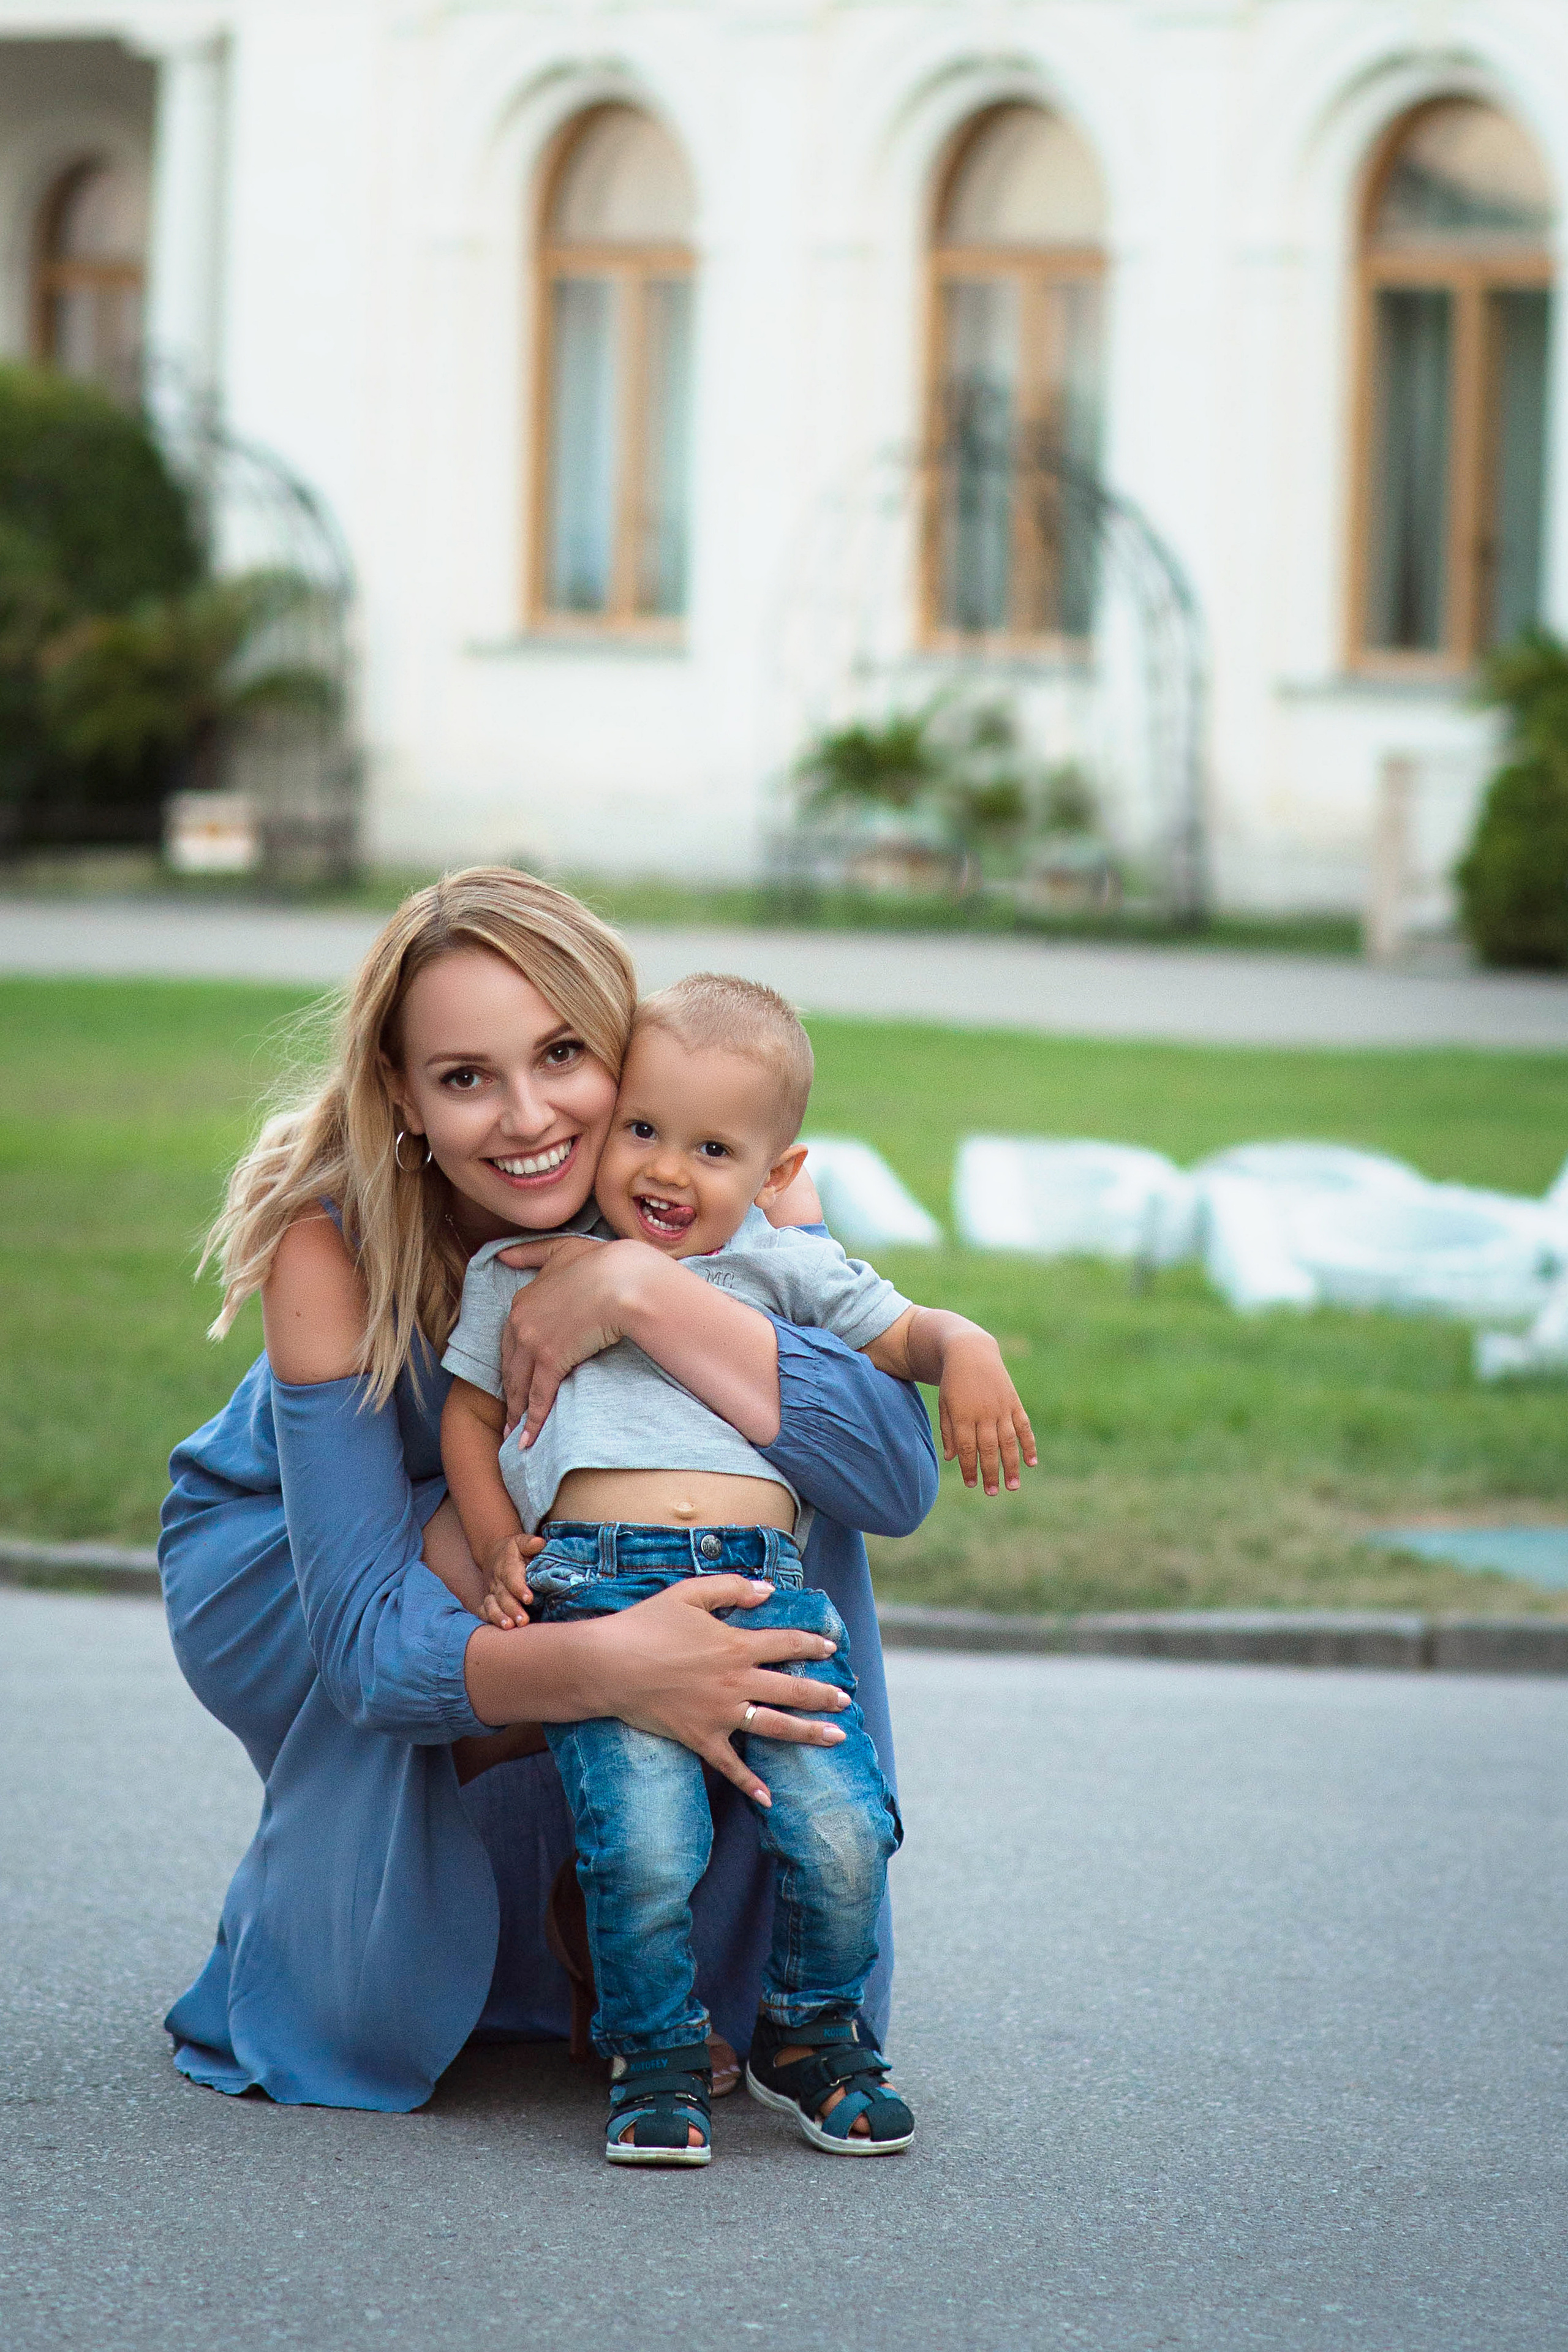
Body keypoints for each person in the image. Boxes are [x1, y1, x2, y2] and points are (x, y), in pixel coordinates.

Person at [157, 869, 940, 2112]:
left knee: (760, 1475)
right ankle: (524, 1869)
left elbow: (892, 1478)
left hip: (564, 1525)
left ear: (623, 1047)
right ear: (403, 1095)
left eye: (563, 1055)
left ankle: (691, 1935)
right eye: (466, 1076)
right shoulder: (331, 1242)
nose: (527, 1117)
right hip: (304, 1562)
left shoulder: (702, 1174)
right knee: (591, 1506)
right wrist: (617, 1668)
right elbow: (366, 1646)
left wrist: (643, 1291)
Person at [440, 974, 1035, 2165]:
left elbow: (902, 1333)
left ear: (776, 1171)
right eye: (642, 1129)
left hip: (768, 1585)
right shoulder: (526, 1264)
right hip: (599, 1580)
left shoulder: (783, 1266)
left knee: (842, 1824)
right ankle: (653, 2053)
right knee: (642, 1838)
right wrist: (497, 1535)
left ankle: (809, 2034)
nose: (667, 1169)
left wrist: (966, 1345)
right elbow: (471, 1413)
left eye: (712, 1149)